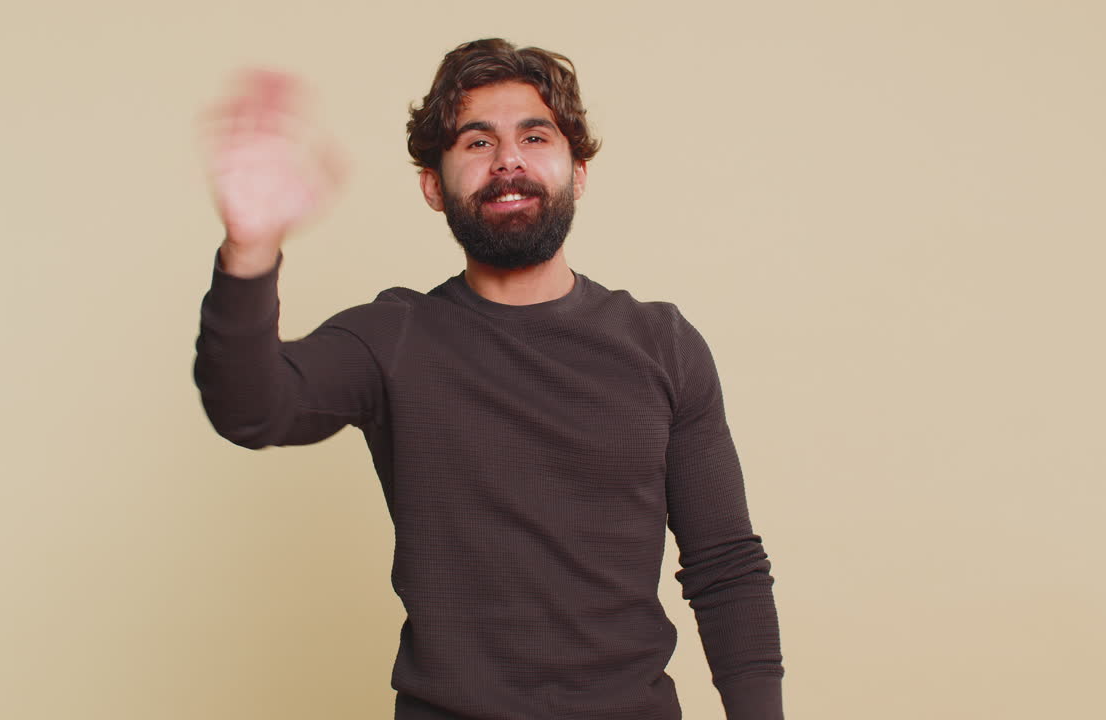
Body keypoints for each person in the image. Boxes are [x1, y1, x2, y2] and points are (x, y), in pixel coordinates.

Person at [193, 38, 785, 720]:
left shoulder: (663, 344)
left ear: (578, 172)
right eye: (477, 143)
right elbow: (249, 408)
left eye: (534, 136)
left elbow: (725, 564)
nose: (508, 159)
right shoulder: (392, 338)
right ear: (433, 187)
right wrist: (249, 248)